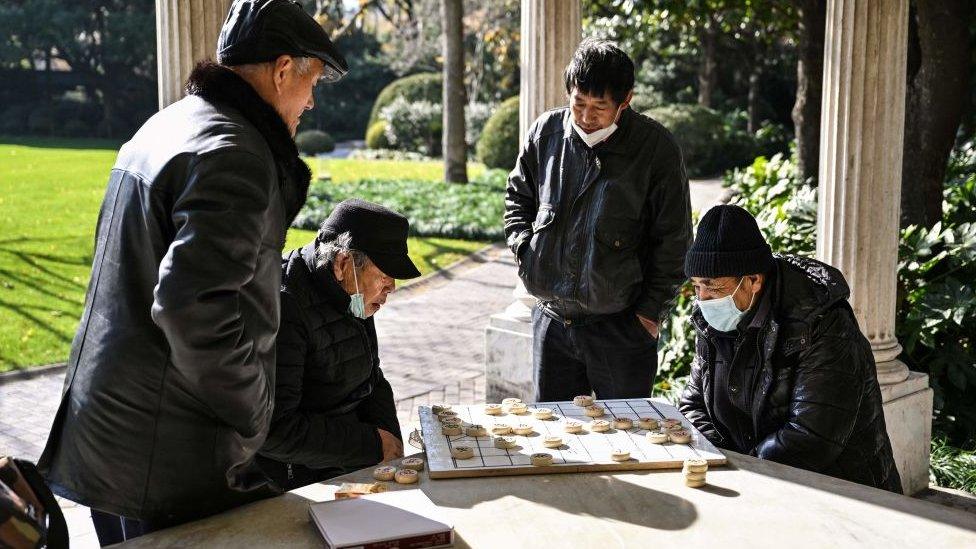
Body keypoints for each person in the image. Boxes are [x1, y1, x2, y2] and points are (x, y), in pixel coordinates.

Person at [37, 0, 349, 543]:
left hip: (115, 435)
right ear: (281, 70)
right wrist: (254, 407)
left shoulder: (167, 125)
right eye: (312, 81)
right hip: (168, 453)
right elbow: (191, 305)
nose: (312, 101)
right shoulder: (236, 151)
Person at [504, 38, 692, 401]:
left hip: (622, 328)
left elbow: (675, 240)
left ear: (626, 101)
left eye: (599, 107)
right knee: (554, 440)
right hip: (552, 320)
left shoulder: (656, 148)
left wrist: (649, 314)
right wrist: (525, 251)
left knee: (627, 440)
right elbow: (517, 198)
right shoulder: (546, 132)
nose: (587, 117)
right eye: (579, 103)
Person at [678, 205, 903, 492]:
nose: (703, 299)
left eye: (713, 287)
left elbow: (811, 435)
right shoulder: (711, 319)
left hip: (838, 490)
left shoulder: (820, 320)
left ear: (753, 280)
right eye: (696, 286)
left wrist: (741, 471)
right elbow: (693, 404)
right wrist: (721, 459)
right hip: (754, 480)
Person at [257, 199, 420, 490]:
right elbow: (275, 430)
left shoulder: (352, 293)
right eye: (384, 274)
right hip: (293, 480)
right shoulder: (283, 303)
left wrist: (389, 444)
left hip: (343, 463)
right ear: (344, 263)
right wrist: (372, 445)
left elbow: (372, 377)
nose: (391, 287)